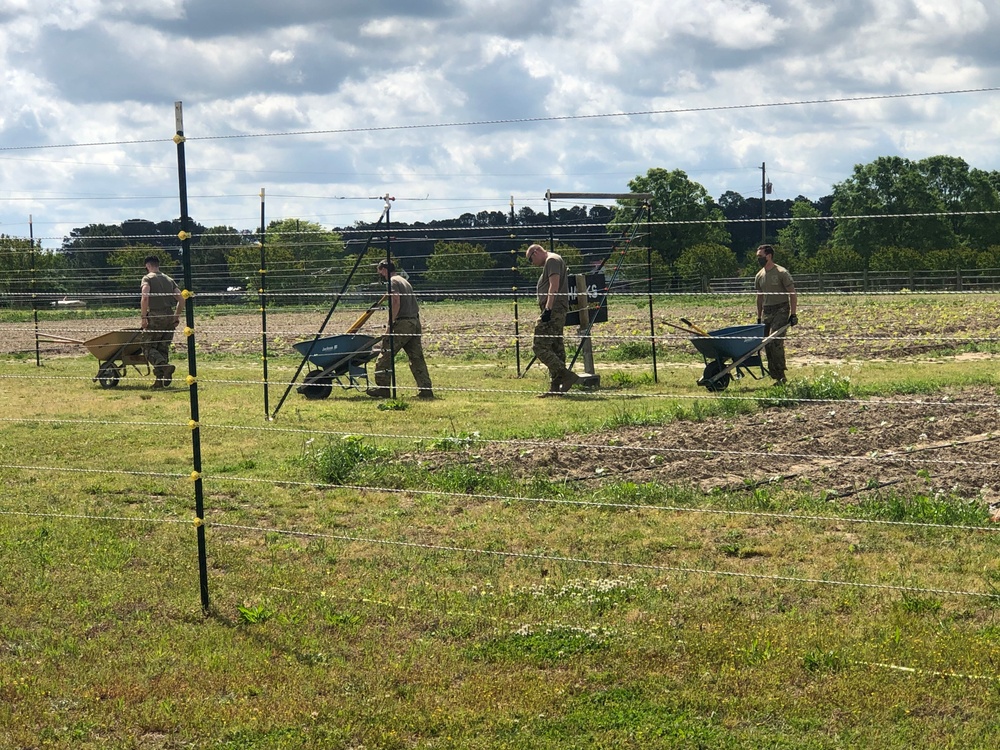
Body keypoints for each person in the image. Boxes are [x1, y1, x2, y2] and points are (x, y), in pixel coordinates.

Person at [367, 259, 434, 399]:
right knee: (416, 358)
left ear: (384, 269)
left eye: (381, 272)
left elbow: (395, 300)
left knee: (386, 353)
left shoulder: (393, 282)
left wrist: (390, 324)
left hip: (402, 323)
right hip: (414, 322)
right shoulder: (404, 281)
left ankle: (383, 388)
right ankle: (426, 389)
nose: (381, 275)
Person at [526, 243, 580, 397]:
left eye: (530, 260)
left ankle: (566, 375)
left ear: (536, 252)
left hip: (553, 309)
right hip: (556, 308)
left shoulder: (552, 261)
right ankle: (555, 388)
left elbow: (553, 286)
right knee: (556, 347)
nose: (532, 264)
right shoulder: (554, 260)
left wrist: (548, 310)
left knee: (539, 346)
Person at [753, 244, 798, 383]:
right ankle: (775, 376)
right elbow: (759, 297)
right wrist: (759, 316)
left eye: (760, 256)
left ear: (769, 256)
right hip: (767, 311)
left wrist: (793, 314)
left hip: (781, 309)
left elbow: (792, 293)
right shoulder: (759, 275)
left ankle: (781, 375)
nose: (758, 259)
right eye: (757, 257)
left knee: (775, 341)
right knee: (766, 343)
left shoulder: (781, 272)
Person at [140, 255, 185, 389]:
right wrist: (176, 317)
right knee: (162, 348)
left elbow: (145, 297)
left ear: (147, 266)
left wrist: (143, 317)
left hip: (155, 316)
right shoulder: (169, 279)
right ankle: (160, 380)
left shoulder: (147, 278)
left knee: (147, 346)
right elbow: (181, 299)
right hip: (168, 315)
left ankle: (164, 367)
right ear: (158, 265)